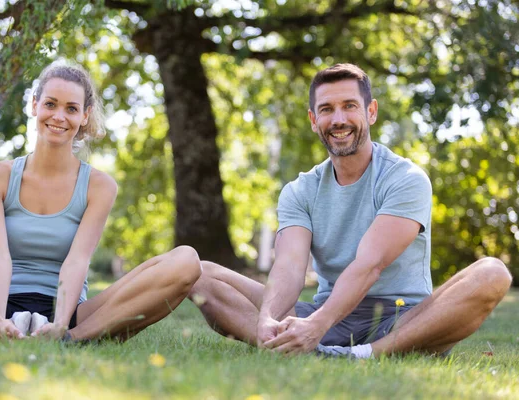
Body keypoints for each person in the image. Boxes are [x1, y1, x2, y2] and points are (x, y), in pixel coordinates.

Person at [188, 63, 512, 358]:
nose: (339, 119)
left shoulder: (406, 179)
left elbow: (369, 265)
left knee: (493, 273)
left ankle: (363, 354)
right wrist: (269, 318)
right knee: (198, 273)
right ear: (314, 121)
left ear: (371, 112)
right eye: (327, 109)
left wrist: (316, 325)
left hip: (402, 320)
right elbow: (289, 268)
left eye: (350, 106)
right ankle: (286, 341)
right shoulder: (299, 190)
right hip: (327, 314)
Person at [0, 62, 201, 341]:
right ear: (34, 105)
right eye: (50, 104)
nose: (58, 116)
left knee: (186, 260)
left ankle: (72, 340)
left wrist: (62, 325)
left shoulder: (99, 186)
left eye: (71, 108)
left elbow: (77, 260)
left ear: (85, 116)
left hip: (70, 313)